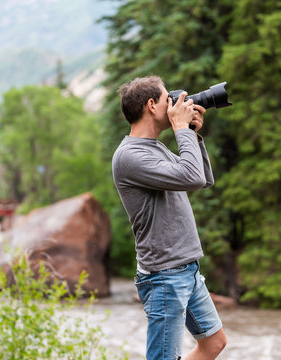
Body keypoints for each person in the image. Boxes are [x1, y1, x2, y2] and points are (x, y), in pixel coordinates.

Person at [112, 75, 227, 360]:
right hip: (164, 276)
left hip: (185, 268)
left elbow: (201, 179)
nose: (176, 103)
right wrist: (180, 129)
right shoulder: (130, 156)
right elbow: (191, 176)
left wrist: (193, 136)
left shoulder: (155, 148)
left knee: (214, 343)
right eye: (168, 99)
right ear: (152, 105)